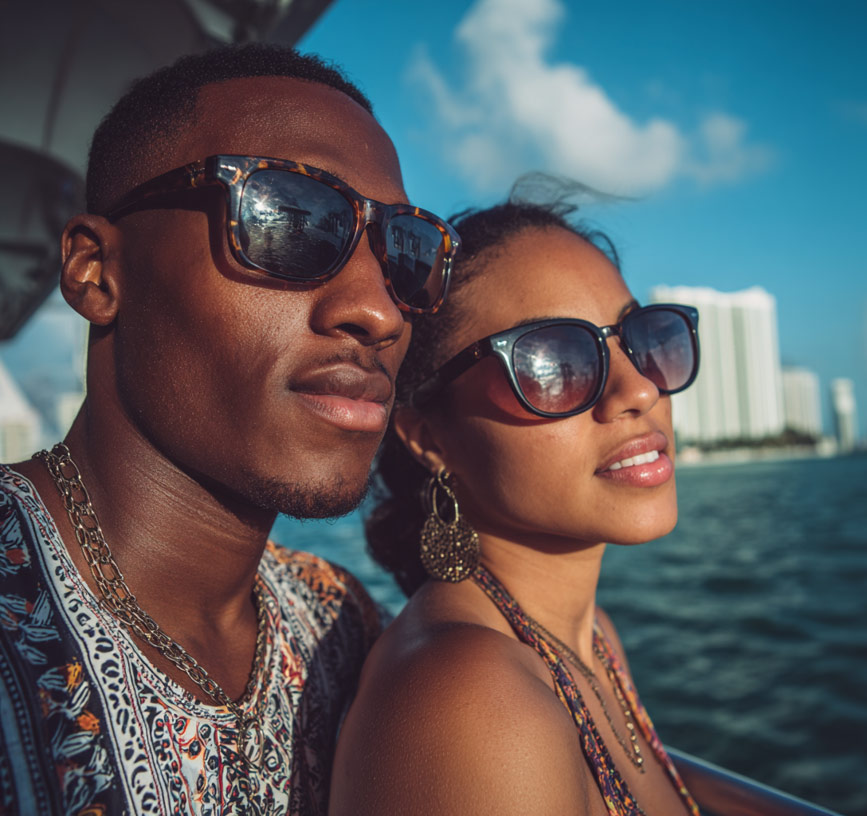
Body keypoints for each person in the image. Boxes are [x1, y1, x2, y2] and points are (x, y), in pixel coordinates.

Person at [0, 44, 458, 814]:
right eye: (289, 220)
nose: (379, 312)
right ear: (95, 272)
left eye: (406, 255)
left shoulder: (339, 623)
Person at [331, 188, 703, 815]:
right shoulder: (471, 698)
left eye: (642, 338)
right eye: (553, 361)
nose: (638, 388)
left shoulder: (589, 638)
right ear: (428, 436)